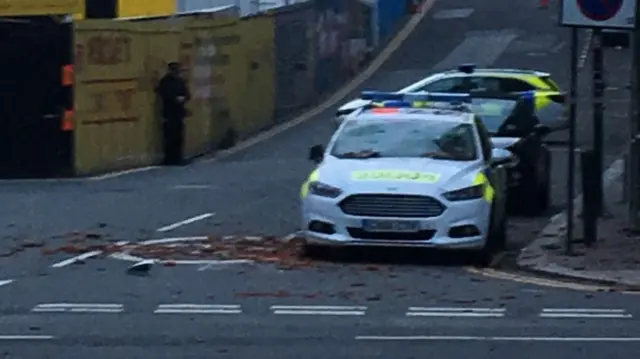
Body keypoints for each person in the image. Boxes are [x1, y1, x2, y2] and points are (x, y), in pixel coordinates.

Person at [156, 62, 190, 165]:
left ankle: (178, 157)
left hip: (178, 112)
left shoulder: (180, 81)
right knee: (170, 136)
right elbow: (164, 94)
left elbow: (187, 94)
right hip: (169, 112)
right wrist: (175, 98)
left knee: (178, 136)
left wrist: (183, 98)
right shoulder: (165, 81)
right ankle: (170, 158)